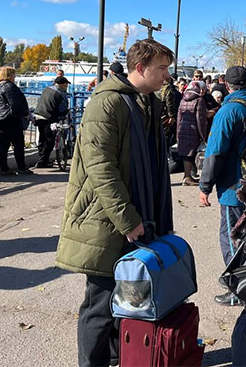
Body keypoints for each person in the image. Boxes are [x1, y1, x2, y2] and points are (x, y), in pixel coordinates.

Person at [55, 39, 174, 367]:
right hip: (108, 222)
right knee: (101, 304)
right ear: (141, 68)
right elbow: (101, 169)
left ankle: (119, 357)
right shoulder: (107, 104)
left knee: (128, 300)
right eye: (162, 68)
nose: (168, 76)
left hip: (135, 218)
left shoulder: (145, 103)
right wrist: (128, 219)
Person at [198, 66, 246, 306]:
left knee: (233, 237)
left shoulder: (228, 111)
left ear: (226, 85)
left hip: (233, 187)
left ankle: (239, 290)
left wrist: (205, 186)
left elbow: (215, 152)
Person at [0, 66, 33, 175]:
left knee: (3, 145)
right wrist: (26, 114)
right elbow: (15, 105)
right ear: (9, 75)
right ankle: (21, 168)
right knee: (18, 144)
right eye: (13, 75)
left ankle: (4, 168)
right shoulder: (9, 87)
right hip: (10, 119)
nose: (15, 77)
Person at [34, 76, 71, 168]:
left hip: (38, 115)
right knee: (49, 140)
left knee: (42, 139)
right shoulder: (61, 94)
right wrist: (66, 113)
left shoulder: (46, 89)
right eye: (66, 84)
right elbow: (62, 109)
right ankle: (42, 162)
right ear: (63, 84)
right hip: (48, 117)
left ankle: (42, 159)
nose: (67, 86)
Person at [177, 81, 208, 186]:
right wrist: (203, 135)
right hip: (193, 130)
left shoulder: (183, 100)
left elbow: (179, 118)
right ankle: (187, 177)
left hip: (183, 129)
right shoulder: (199, 100)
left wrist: (178, 132)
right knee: (191, 154)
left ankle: (187, 175)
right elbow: (200, 119)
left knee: (186, 154)